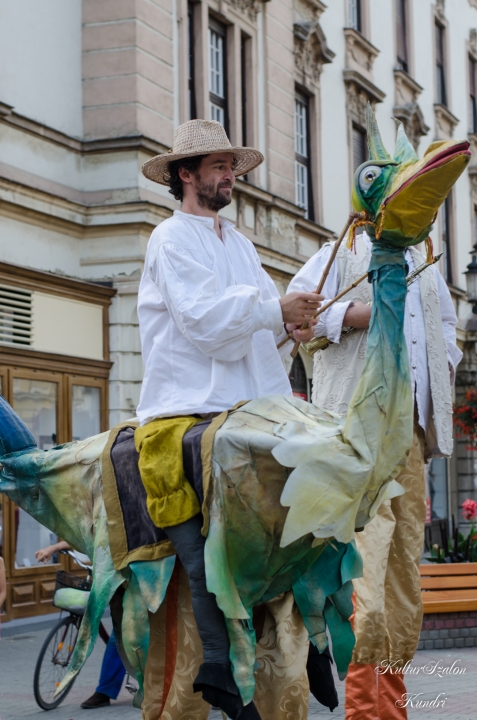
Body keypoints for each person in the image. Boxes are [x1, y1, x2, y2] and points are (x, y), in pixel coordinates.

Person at [136, 119, 322, 720]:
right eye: (218, 167)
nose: (229, 177)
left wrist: (290, 328)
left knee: (319, 494)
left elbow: (256, 337)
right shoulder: (169, 238)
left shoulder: (239, 244)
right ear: (185, 175)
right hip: (183, 412)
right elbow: (206, 326)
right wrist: (274, 311)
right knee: (200, 554)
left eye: (230, 168)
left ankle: (314, 637)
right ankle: (216, 663)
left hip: (247, 410)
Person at [288, 231, 462, 720]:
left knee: (404, 571)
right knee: (363, 569)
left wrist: (441, 362)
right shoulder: (341, 252)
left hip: (409, 435)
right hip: (356, 431)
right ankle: (364, 709)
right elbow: (298, 316)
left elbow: (446, 328)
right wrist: (361, 313)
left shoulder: (425, 264)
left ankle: (392, 707)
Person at [36, 541, 127, 710]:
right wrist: (53, 548)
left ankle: (104, 692)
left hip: (131, 578)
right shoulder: (100, 525)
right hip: (108, 576)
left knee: (119, 638)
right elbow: (82, 534)